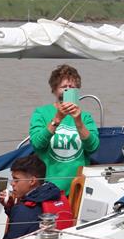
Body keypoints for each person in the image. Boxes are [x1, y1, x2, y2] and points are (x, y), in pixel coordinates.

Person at [29, 64, 99, 193]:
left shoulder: (85, 117)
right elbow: (37, 144)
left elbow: (93, 147)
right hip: (48, 186)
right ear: (54, 89)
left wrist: (78, 121)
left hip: (77, 187)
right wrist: (57, 119)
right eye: (63, 87)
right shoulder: (41, 113)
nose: (68, 90)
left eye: (72, 87)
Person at [0, 156, 73, 239]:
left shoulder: (23, 209)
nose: (12, 183)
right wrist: (9, 207)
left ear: (32, 181)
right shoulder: (53, 194)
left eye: (16, 180)